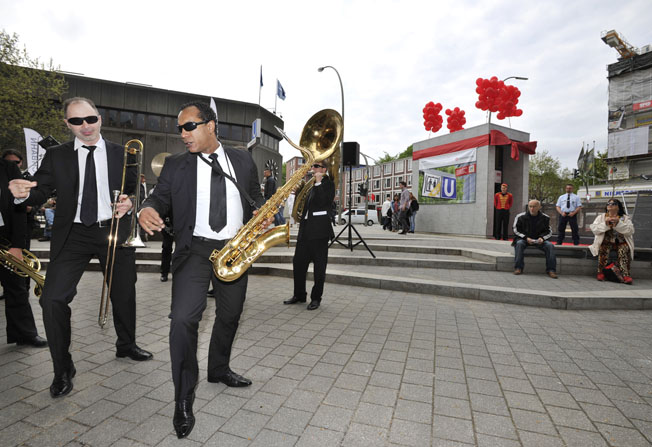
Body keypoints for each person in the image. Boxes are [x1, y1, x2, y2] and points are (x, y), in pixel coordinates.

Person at [9, 97, 153, 401]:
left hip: (112, 229)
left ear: (99, 118)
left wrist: (129, 203)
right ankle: (62, 368)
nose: (85, 126)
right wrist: (22, 193)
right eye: (76, 121)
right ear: (67, 124)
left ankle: (126, 344)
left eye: (90, 119)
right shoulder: (57, 156)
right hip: (72, 234)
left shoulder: (122, 153)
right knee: (52, 299)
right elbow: (40, 191)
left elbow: (131, 191)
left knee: (123, 293)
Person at [138, 101, 266, 439]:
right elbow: (158, 198)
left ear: (211, 125)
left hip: (235, 247)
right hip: (195, 250)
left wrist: (263, 214)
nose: (182, 134)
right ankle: (183, 398)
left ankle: (219, 369)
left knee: (231, 313)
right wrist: (146, 209)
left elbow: (254, 196)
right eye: (179, 128)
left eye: (189, 126)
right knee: (182, 320)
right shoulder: (176, 165)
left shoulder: (241, 158)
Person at [0, 155, 47, 348]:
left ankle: (24, 334)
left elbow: (17, 208)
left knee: (17, 289)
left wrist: (17, 245)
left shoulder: (8, 168)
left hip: (5, 238)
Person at [284, 160, 335, 311]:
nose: (313, 169)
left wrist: (318, 183)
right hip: (305, 230)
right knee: (298, 263)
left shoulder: (328, 184)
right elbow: (304, 206)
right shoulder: (310, 186)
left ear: (324, 169)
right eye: (313, 166)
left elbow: (323, 202)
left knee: (319, 268)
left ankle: (316, 298)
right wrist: (296, 193)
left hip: (319, 232)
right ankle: (299, 294)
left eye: (316, 166)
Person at [589, 199, 634, 284]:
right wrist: (605, 224)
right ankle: (601, 272)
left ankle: (626, 275)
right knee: (603, 248)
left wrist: (618, 224)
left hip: (621, 242)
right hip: (606, 241)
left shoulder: (625, 218)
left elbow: (630, 231)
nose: (610, 205)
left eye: (613, 204)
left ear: (618, 207)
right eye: (608, 203)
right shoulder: (601, 217)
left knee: (623, 249)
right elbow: (594, 229)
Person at [512, 200, 558, 278]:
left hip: (539, 240)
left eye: (534, 206)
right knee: (519, 244)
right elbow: (515, 230)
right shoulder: (520, 216)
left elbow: (549, 231)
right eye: (530, 206)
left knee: (550, 246)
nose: (532, 208)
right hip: (524, 239)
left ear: (539, 207)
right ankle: (518, 268)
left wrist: (542, 238)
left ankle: (551, 270)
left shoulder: (545, 218)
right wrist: (526, 238)